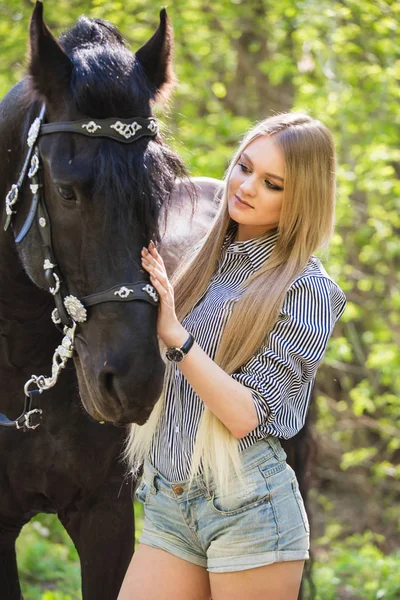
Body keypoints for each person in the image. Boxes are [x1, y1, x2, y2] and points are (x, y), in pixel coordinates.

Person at [117, 112, 347, 600]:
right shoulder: (203, 261)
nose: (246, 186)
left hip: (248, 511)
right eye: (245, 167)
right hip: (169, 502)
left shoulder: (309, 289)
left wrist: (177, 338)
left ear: (301, 198)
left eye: (272, 184)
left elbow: (247, 415)